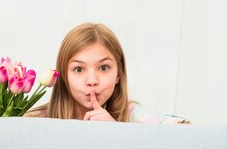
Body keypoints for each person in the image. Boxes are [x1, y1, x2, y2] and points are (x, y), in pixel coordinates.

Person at [26, 22, 189, 123]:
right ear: (64, 76)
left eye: (103, 68)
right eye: (79, 69)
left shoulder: (131, 114)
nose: (92, 80)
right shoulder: (39, 120)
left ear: (119, 74)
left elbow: (186, 132)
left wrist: (115, 134)